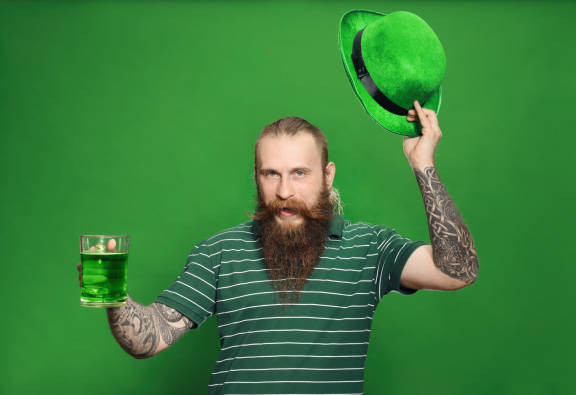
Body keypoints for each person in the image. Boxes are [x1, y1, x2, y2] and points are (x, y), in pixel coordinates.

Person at [78, 102, 479, 394]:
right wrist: (113, 296)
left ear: (327, 175)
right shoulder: (220, 252)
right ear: (256, 176)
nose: (284, 191)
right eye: (271, 174)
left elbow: (457, 271)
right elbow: (150, 338)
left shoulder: (370, 249)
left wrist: (423, 164)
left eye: (299, 174)